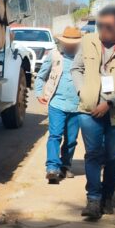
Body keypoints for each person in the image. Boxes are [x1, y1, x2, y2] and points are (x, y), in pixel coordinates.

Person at [71, 5, 115, 220]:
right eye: (100, 26)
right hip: (89, 111)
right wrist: (82, 91)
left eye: (109, 26)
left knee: (114, 157)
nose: (103, 31)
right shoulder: (88, 42)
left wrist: (110, 102)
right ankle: (93, 199)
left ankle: (108, 196)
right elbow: (76, 68)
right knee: (93, 155)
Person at [35, 27, 83, 184]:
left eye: (74, 43)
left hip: (77, 106)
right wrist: (39, 93)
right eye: (68, 43)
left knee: (71, 140)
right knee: (55, 135)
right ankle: (52, 168)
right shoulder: (55, 55)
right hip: (56, 104)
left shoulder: (85, 58)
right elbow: (40, 76)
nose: (70, 46)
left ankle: (65, 166)